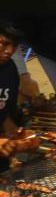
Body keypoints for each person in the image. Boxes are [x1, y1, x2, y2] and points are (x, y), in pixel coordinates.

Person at [0, 23, 22, 172]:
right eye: (4, 43)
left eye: (14, 46)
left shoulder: (10, 68)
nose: (9, 51)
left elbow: (4, 107)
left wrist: (11, 128)